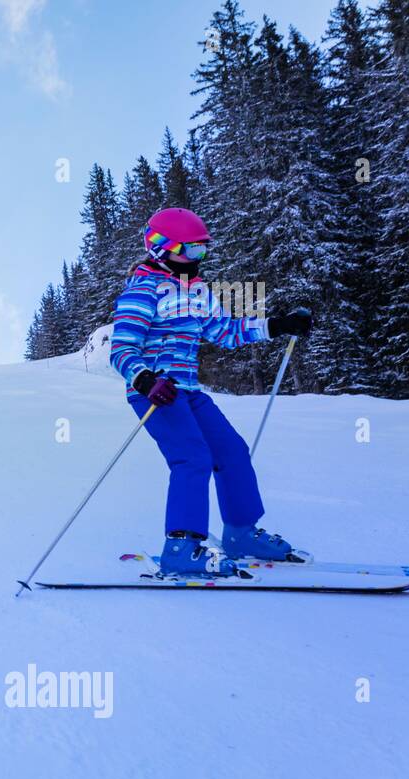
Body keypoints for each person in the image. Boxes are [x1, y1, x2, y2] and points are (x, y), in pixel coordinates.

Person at [110, 207, 313, 578]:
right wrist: (144, 380)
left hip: (189, 392)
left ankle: (240, 534)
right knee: (192, 458)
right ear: (159, 248)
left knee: (232, 452)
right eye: (189, 251)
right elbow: (121, 349)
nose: (196, 259)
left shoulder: (198, 290)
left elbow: (225, 331)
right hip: (156, 394)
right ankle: (180, 549)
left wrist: (278, 324)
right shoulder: (142, 291)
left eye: (201, 251)